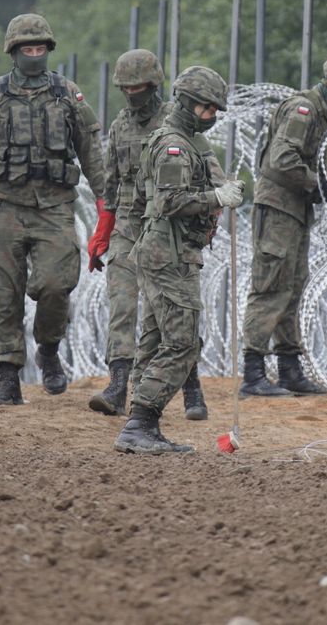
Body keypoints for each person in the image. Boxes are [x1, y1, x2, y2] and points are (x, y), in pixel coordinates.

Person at [0, 13, 106, 406]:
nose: (34, 55)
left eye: (39, 48)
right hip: (3, 206)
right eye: (26, 49)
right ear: (13, 52)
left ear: (48, 50)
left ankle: (48, 348)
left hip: (54, 207)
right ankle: (8, 376)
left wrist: (106, 203)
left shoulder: (67, 95)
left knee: (55, 283)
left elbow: (92, 154)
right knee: (2, 290)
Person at [114, 65, 243, 454]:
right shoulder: (174, 145)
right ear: (188, 105)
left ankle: (140, 424)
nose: (212, 116)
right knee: (183, 342)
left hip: (162, 252)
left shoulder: (167, 139)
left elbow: (141, 198)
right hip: (170, 256)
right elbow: (169, 201)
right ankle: (140, 423)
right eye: (207, 108)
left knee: (155, 339)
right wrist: (215, 199)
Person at [240, 49, 327, 397]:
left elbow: (321, 175)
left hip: (295, 212)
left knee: (294, 286)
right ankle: (252, 373)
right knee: (270, 287)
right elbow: (281, 161)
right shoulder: (304, 110)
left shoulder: (324, 115)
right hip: (278, 210)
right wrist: (320, 185)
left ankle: (289, 370)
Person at [86, 49, 207, 420]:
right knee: (122, 306)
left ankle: (192, 389)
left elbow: (207, 174)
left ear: (155, 85)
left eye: (140, 87)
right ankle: (118, 385)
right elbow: (110, 185)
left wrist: (206, 219)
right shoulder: (120, 126)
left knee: (170, 311)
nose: (133, 93)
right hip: (126, 225)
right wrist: (102, 233)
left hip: (167, 229)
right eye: (127, 88)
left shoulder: (175, 124)